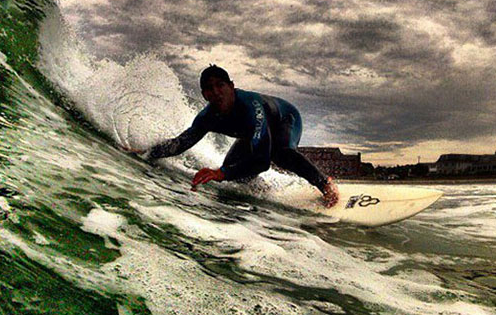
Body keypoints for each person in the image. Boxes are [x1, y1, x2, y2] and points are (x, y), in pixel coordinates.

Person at [127, 65, 339, 208]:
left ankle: (325, 184)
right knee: (232, 173)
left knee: (279, 153)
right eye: (209, 89)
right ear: (204, 95)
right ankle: (266, 192)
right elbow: (182, 143)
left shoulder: (251, 107)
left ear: (231, 86)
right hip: (252, 134)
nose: (216, 92)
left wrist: (221, 173)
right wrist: (147, 152)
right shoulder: (207, 117)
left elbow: (263, 161)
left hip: (285, 119)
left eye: (221, 85)